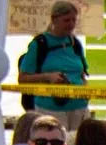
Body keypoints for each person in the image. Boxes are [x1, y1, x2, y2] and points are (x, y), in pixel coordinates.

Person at [18, 1, 92, 133]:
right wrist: (48, 77)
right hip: (50, 108)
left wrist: (86, 91)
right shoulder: (39, 44)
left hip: (79, 106)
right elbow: (23, 78)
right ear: (54, 19)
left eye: (74, 20)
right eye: (66, 20)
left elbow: (82, 73)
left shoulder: (75, 44)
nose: (71, 24)